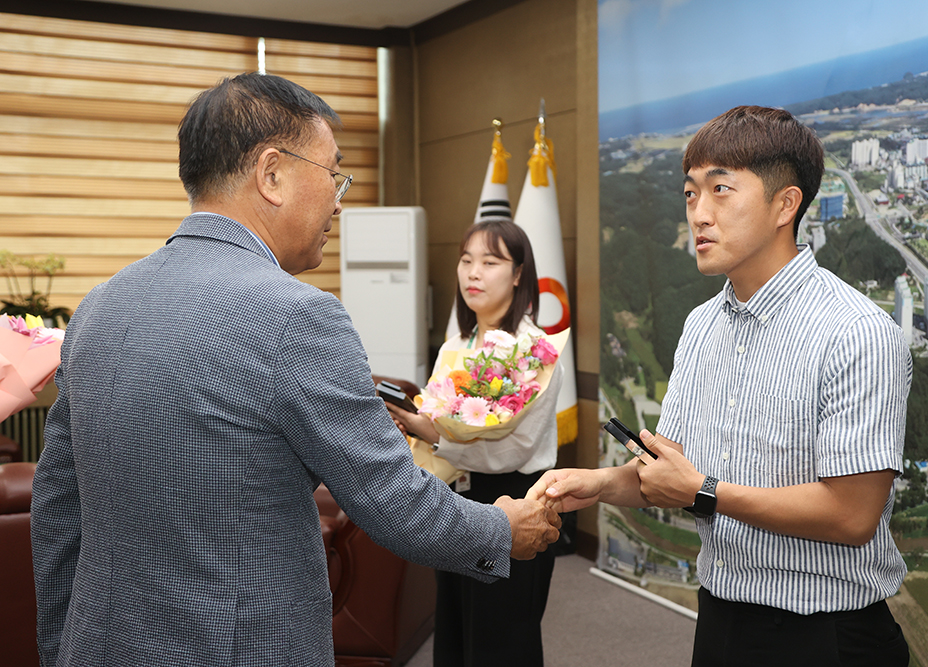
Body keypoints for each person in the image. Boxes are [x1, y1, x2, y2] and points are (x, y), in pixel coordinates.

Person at [30, 72, 560, 667]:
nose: (339, 199)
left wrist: (60, 651)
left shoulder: (100, 305)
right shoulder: (296, 316)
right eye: (333, 174)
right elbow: (392, 500)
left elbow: (58, 512)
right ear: (272, 174)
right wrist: (501, 530)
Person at [530, 106, 912, 667]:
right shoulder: (702, 325)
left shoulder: (857, 333)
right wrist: (598, 484)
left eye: (721, 190)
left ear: (786, 205)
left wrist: (704, 491)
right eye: (690, 194)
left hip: (826, 636)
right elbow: (677, 474)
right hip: (720, 618)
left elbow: (851, 517)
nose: (699, 214)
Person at [387, 218, 562, 667]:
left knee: (503, 639)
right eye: (466, 261)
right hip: (456, 499)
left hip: (517, 501)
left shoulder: (534, 353)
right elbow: (439, 424)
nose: (473, 273)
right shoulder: (455, 346)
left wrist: (433, 435)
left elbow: (516, 450)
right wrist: (414, 424)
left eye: (490, 261)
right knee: (455, 630)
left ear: (519, 273)